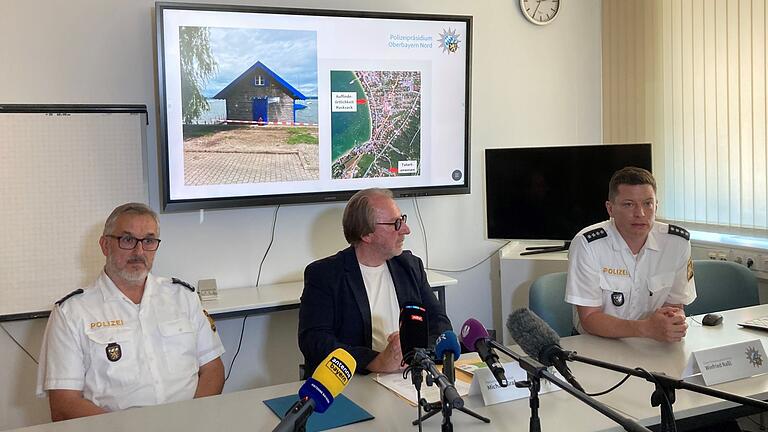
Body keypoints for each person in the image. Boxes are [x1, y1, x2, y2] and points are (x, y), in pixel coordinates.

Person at [36, 203, 225, 421]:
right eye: (127, 240)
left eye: (148, 241)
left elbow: (212, 369)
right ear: (105, 245)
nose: (139, 251)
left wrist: (193, 419)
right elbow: (64, 405)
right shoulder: (71, 313)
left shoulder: (183, 297)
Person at [299, 188, 452, 377]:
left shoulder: (410, 266)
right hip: (355, 382)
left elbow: (440, 324)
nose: (406, 229)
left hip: (407, 378)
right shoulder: (325, 274)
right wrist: (374, 361)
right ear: (366, 235)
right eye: (396, 223)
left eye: (403, 219)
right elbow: (315, 341)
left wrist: (414, 352)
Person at [565, 167, 696, 342]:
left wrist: (672, 322)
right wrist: (645, 328)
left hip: (651, 343)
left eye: (647, 203)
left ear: (656, 205)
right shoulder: (587, 244)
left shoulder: (677, 243)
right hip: (597, 343)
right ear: (610, 209)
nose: (640, 213)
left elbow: (674, 305)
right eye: (628, 204)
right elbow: (589, 318)